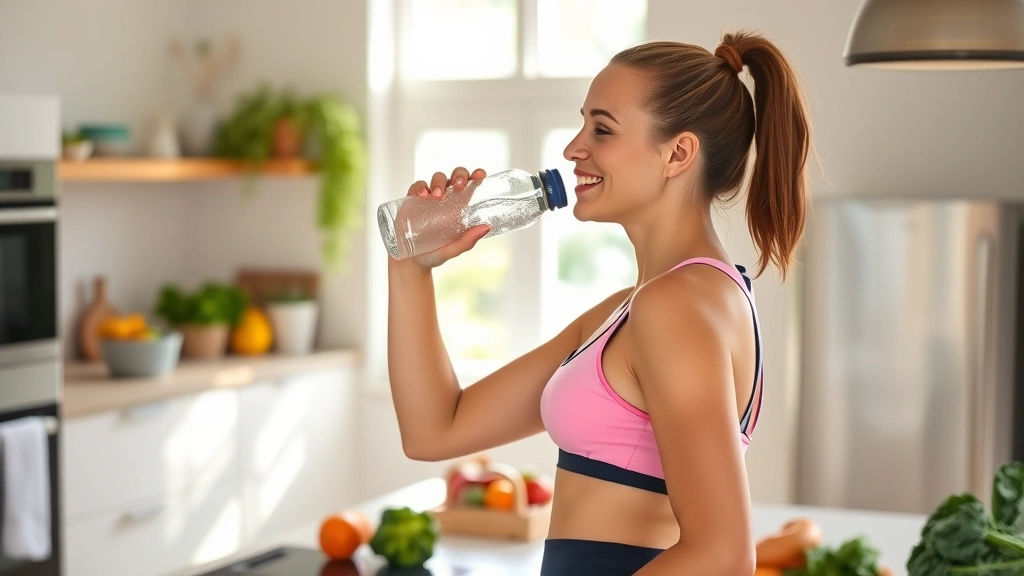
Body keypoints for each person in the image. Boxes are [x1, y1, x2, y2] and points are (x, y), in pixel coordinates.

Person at [385, 28, 811, 576]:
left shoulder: (677, 306)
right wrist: (410, 266)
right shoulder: (641, 304)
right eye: (583, 122)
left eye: (602, 129)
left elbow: (722, 557)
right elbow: (436, 429)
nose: (572, 148)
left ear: (678, 153)